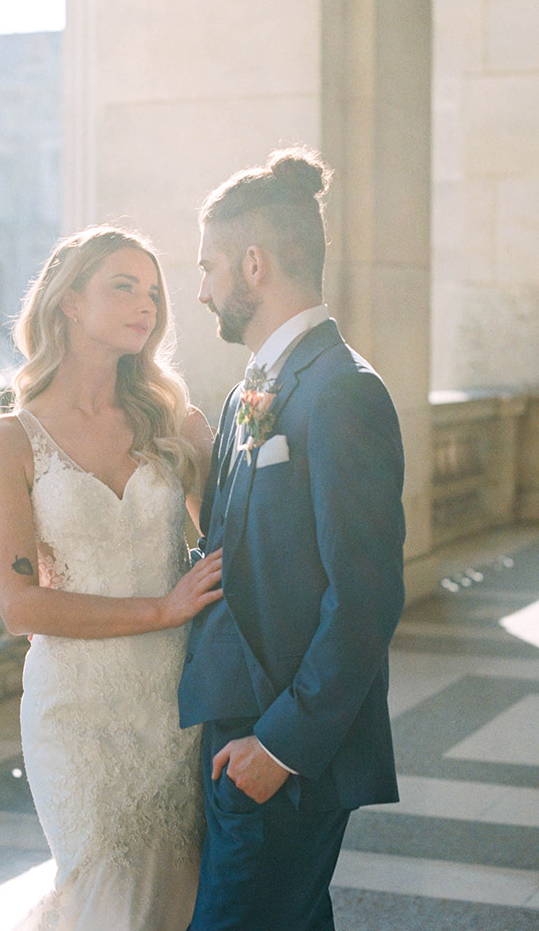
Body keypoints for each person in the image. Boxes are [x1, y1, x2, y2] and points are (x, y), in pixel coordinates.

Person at [180, 148, 405, 931]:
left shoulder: (342, 391)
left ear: (253, 264)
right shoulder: (257, 388)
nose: (199, 290)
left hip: (285, 752)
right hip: (235, 730)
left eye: (206, 267)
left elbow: (366, 596)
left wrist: (276, 749)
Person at [0, 225, 223, 930]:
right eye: (123, 286)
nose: (145, 304)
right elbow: (19, 606)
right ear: (68, 303)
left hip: (171, 703)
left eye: (152, 291)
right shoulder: (9, 441)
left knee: (170, 899)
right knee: (104, 901)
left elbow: (233, 542)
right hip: (75, 714)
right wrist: (160, 609)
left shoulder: (175, 423)